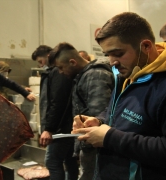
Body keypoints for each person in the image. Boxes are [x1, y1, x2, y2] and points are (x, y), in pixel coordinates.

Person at [72, 12, 166, 180]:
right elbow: (121, 112)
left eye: (119, 53)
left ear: (146, 47)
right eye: (108, 54)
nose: (112, 62)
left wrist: (110, 138)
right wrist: (100, 121)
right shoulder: (129, 74)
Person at [49, 42, 114, 180]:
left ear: (72, 62)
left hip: (95, 146)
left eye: (61, 67)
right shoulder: (83, 76)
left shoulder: (95, 75)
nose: (60, 72)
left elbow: (100, 114)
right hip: (89, 143)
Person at [32, 45, 79, 180]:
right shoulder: (55, 71)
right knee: (69, 159)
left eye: (41, 62)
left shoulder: (58, 71)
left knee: (52, 162)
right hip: (67, 125)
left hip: (61, 127)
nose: (41, 66)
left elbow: (57, 101)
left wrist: (49, 128)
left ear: (48, 56)